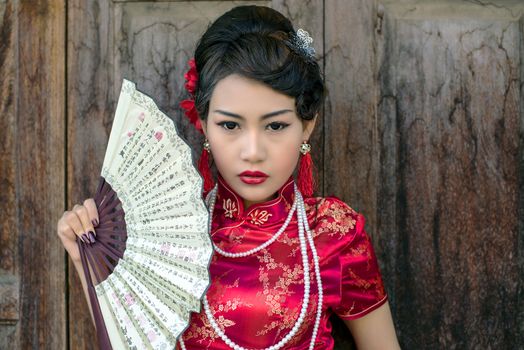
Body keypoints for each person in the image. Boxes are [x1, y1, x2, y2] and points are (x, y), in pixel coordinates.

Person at [57, 5, 400, 349]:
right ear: (204, 123)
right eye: (230, 125)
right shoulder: (161, 234)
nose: (252, 150)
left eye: (276, 125)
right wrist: (84, 255)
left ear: (307, 125)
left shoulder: (332, 233)